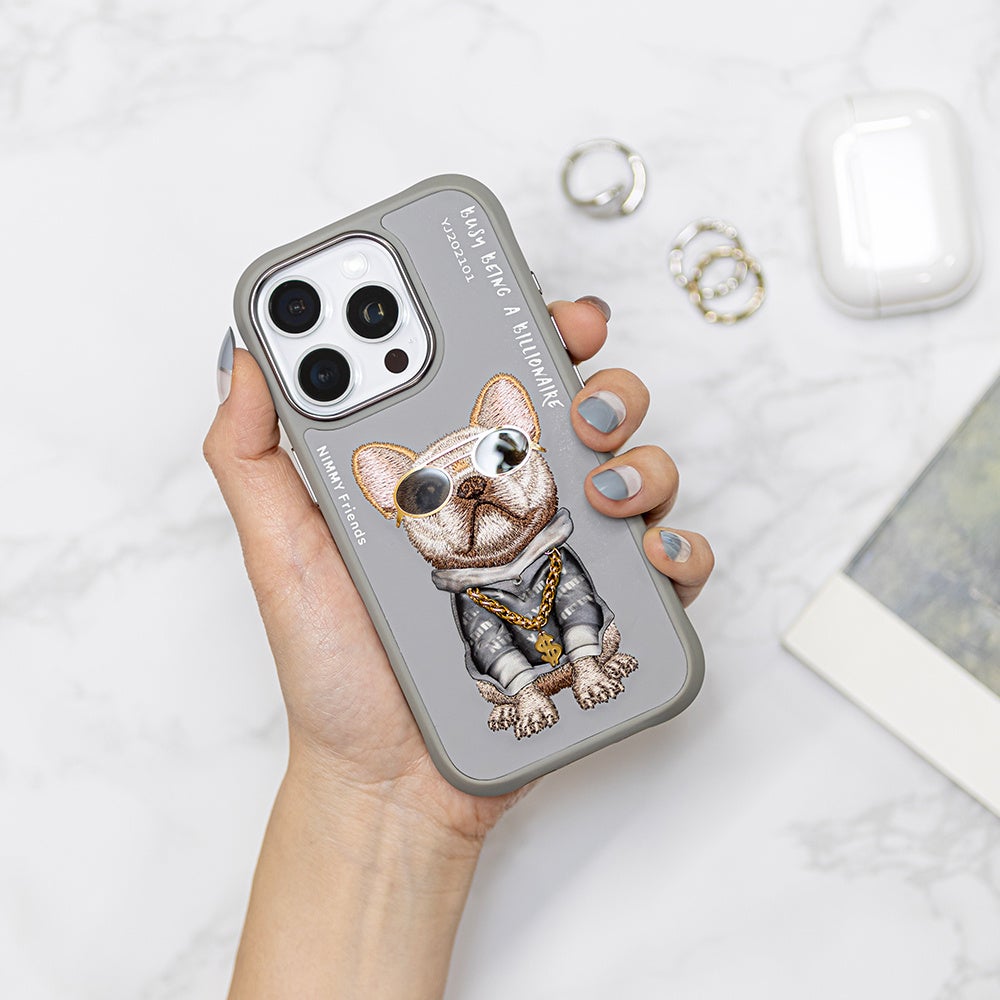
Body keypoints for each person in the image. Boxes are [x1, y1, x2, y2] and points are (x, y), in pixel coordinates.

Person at [204, 296, 714, 999]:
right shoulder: (466, 599)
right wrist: (379, 793)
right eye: (425, 493)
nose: (472, 488)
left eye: (502, 453)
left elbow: (579, 602)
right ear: (397, 514)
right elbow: (486, 645)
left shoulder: (557, 557)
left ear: (533, 448)